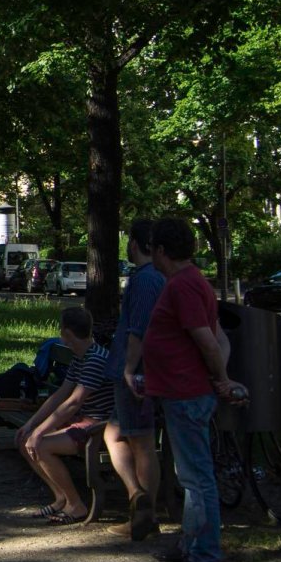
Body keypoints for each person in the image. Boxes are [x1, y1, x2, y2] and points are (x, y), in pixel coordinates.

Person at [128, 217, 242, 562]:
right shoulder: (191, 283)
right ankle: (191, 543)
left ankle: (205, 555)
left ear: (161, 250)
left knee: (197, 478)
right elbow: (217, 338)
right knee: (190, 474)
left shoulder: (183, 286)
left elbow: (208, 340)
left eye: (155, 250)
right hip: (179, 391)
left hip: (186, 394)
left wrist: (221, 380)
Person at [15, 306, 114, 524]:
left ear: (67, 333)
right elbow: (61, 395)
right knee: (25, 441)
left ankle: (76, 504)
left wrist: (39, 433)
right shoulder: (81, 356)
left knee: (40, 445)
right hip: (82, 421)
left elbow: (73, 402)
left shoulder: (95, 359)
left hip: (97, 427)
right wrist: (31, 425)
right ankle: (60, 497)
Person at [105, 218, 165, 540]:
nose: (126, 246)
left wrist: (129, 369)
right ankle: (137, 497)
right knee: (114, 434)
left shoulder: (144, 281)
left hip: (134, 375)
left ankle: (146, 512)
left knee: (141, 441)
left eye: (129, 240)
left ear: (139, 244)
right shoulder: (155, 278)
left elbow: (137, 330)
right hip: (136, 372)